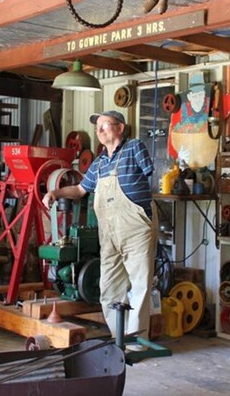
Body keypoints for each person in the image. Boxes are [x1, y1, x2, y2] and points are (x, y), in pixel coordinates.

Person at [42, 111, 154, 348]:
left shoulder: (134, 148)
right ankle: (119, 339)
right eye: (97, 128)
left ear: (120, 128)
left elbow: (151, 174)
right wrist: (56, 193)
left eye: (105, 125)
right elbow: (80, 190)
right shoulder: (100, 162)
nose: (100, 130)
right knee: (109, 289)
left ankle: (136, 344)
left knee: (140, 286)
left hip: (135, 229)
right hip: (109, 234)